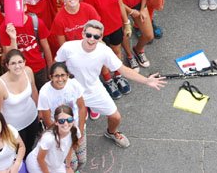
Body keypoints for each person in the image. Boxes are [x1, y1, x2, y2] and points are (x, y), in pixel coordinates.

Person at [54, 20, 166, 148]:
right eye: (89, 35)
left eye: (96, 36)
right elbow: (56, 65)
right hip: (71, 93)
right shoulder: (68, 47)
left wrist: (146, 80)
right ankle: (67, 151)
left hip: (93, 90)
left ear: (101, 37)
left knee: (116, 117)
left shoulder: (104, 51)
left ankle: (111, 133)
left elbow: (123, 70)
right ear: (83, 33)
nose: (91, 39)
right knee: (71, 129)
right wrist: (58, 86)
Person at [83, 0, 132, 96]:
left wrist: (126, 22)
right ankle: (108, 79)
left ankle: (118, 75)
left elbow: (120, 4)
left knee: (117, 51)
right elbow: (90, 18)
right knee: (102, 57)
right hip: (101, 32)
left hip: (116, 26)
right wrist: (97, 38)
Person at [37, 63, 87, 170]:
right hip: (60, 134)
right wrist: (64, 137)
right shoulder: (45, 92)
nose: (60, 79)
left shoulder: (74, 85)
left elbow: (82, 107)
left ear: (68, 75)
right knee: (71, 163)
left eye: (63, 75)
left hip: (76, 128)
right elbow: (47, 121)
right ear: (50, 77)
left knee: (82, 160)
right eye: (56, 76)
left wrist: (81, 131)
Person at [0, 49, 40, 156]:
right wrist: (2, 131)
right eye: (13, 63)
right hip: (13, 127)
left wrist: (39, 111)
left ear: (24, 62)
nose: (17, 66)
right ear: (7, 65)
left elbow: (34, 90)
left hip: (32, 118)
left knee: (30, 147)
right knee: (18, 153)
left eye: (20, 62)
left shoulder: (28, 71)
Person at [0, 3, 52, 91]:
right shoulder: (4, 28)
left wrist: (50, 68)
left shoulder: (36, 22)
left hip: (39, 68)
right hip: (18, 70)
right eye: (12, 10)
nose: (16, 13)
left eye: (19, 9)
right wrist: (13, 38)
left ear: (25, 8)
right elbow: (10, 56)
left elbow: (46, 47)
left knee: (43, 93)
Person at [25, 105, 80, 173]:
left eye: (69, 120)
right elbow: (40, 159)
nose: (66, 124)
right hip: (37, 165)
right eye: (61, 121)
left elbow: (70, 148)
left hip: (55, 164)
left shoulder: (75, 131)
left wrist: (68, 166)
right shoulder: (49, 138)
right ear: (56, 122)